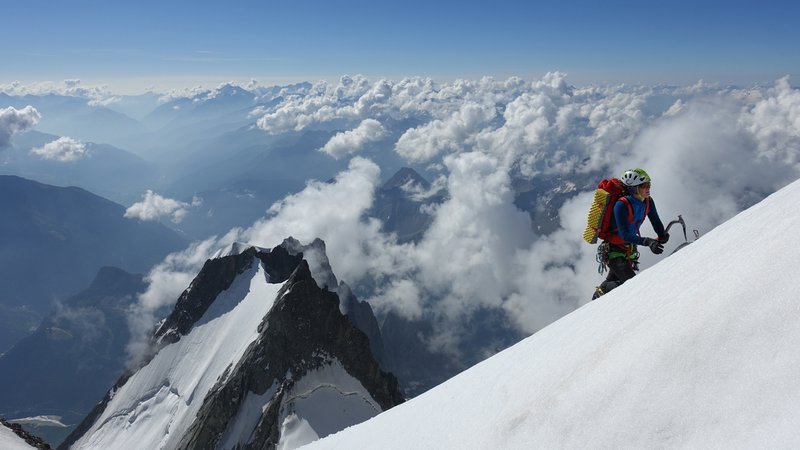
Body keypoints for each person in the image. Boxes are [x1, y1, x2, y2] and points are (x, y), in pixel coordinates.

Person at [592, 168, 669, 299]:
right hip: (615, 252)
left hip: (628, 250)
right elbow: (624, 235)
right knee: (632, 285)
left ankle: (601, 292)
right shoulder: (621, 205)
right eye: (644, 186)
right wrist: (648, 241)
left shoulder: (648, 202)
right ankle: (604, 290)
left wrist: (661, 235)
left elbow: (655, 221)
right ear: (633, 188)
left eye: (649, 185)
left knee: (618, 278)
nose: (648, 188)